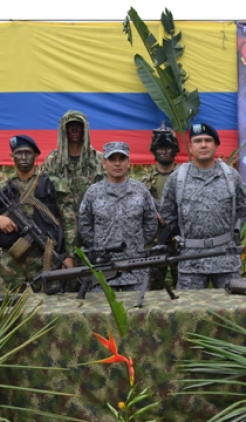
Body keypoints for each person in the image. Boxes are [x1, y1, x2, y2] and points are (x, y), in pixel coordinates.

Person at [0, 135, 76, 293]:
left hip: (46, 257)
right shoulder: (3, 188)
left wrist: (70, 256)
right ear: (12, 156)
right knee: (8, 308)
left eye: (28, 153)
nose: (23, 157)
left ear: (36, 156)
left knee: (48, 309)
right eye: (19, 153)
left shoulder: (53, 184)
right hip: (12, 261)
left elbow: (70, 222)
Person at [159, 123, 246, 290]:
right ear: (191, 147)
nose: (203, 144)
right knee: (189, 313)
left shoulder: (231, 177)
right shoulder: (178, 178)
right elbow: (168, 212)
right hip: (191, 260)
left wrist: (233, 232)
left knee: (230, 311)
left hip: (225, 258)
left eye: (208, 140)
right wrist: (184, 236)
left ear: (216, 145)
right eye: (198, 141)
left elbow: (242, 209)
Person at [80, 142, 158, 291]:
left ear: (128, 162)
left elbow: (151, 223)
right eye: (112, 159)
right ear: (104, 163)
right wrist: (99, 244)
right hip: (104, 270)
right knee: (103, 313)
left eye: (121, 158)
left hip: (135, 269)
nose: (117, 163)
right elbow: (84, 225)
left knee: (136, 313)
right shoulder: (93, 193)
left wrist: (135, 244)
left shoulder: (140, 191)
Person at [42, 110, 104, 291]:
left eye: (79, 125)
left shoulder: (99, 160)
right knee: (65, 291)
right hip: (61, 238)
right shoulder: (52, 162)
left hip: (94, 238)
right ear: (64, 130)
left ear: (85, 129)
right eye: (71, 126)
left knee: (97, 291)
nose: (75, 129)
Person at [141, 122, 180, 291]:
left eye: (168, 147)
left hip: (181, 240)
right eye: (160, 147)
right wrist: (152, 213)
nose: (164, 151)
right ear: (154, 150)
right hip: (156, 241)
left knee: (185, 287)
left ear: (175, 150)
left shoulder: (184, 176)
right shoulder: (145, 181)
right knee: (153, 289)